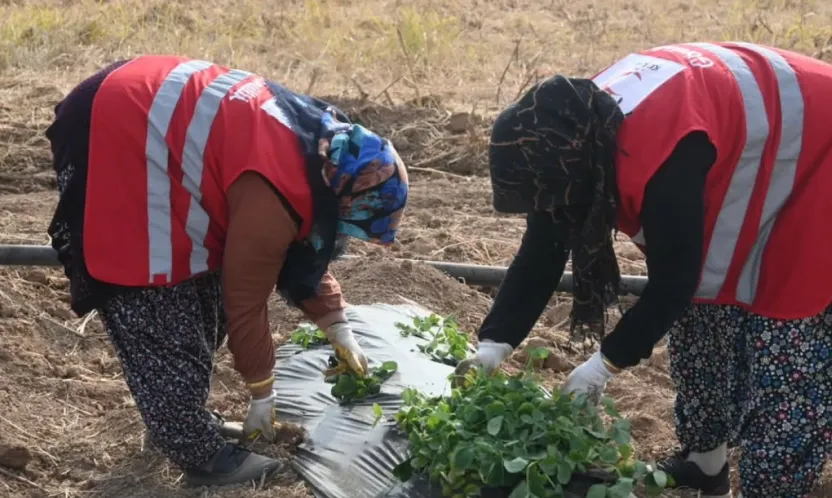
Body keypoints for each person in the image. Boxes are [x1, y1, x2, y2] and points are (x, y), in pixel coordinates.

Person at [454, 42, 832, 498]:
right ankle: (705, 463)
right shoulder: (574, 132)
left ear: (580, 172)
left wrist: (603, 365)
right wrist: (494, 344)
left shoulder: (660, 152)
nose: (555, 209)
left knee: (785, 330)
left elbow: (674, 282)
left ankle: (776, 487)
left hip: (816, 151)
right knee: (706, 299)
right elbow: (543, 248)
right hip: (751, 148)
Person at [45, 56, 409, 487]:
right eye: (351, 222)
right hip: (116, 128)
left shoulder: (323, 147)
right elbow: (246, 299)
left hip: (143, 109)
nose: (344, 232)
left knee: (203, 294)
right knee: (158, 299)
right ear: (345, 197)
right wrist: (262, 392)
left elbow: (298, 246)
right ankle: (199, 454)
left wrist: (337, 325)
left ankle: (175, 417)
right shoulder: (273, 188)